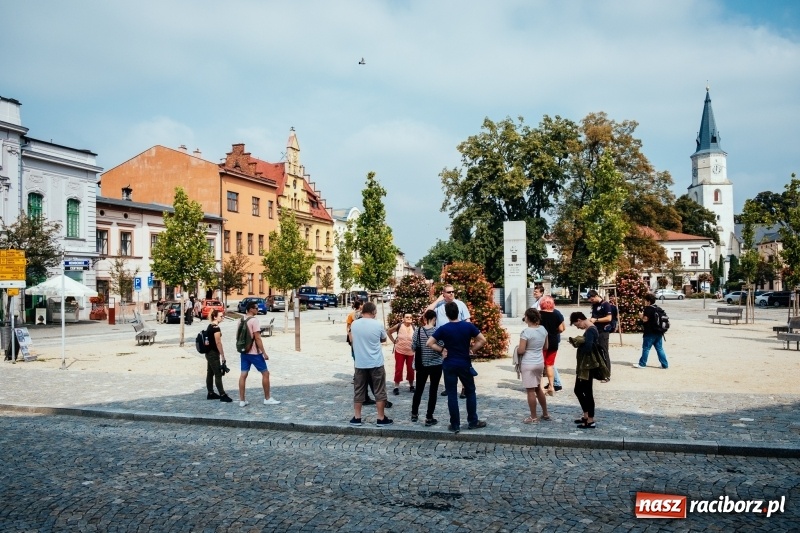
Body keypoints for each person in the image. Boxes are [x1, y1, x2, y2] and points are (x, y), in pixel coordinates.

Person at [427, 302, 487, 434]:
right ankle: (472, 421)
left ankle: (455, 424)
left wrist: (441, 349)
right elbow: (482, 340)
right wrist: (472, 350)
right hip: (464, 363)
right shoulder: (468, 326)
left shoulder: (443, 328)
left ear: (447, 314)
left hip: (449, 364)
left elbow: (429, 343)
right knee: (470, 391)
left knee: (452, 394)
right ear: (458, 312)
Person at [348, 302, 393, 427]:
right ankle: (380, 418)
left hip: (360, 363)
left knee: (359, 390)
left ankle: (357, 417)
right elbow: (384, 339)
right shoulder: (378, 324)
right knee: (379, 390)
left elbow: (351, 338)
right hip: (375, 362)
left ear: (363, 312)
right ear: (373, 312)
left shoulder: (354, 324)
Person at [426, 284, 471, 398]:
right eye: (449, 292)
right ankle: (449, 387)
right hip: (443, 338)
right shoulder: (439, 305)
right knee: (446, 363)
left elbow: (467, 320)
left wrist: (467, 335)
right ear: (443, 293)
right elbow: (427, 313)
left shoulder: (460, 304)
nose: (451, 293)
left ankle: (464, 388)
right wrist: (437, 300)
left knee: (462, 363)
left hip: (458, 337)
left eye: (453, 291)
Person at [569, 311, 608, 429]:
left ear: (580, 320)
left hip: (588, 366)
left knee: (586, 391)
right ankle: (586, 415)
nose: (578, 327)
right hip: (586, 365)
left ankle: (590, 419)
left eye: (577, 325)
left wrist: (579, 341)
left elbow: (588, 347)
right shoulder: (591, 329)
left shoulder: (590, 330)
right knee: (579, 390)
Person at [238, 301, 280, 407]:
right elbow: (257, 338)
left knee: (243, 375)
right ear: (251, 309)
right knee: (265, 373)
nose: (258, 310)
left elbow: (238, 336)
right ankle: (267, 398)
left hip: (244, 352)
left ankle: (242, 400)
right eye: (256, 308)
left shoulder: (240, 320)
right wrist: (264, 352)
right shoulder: (254, 320)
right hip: (254, 353)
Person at [515, 308, 550, 423]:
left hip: (528, 363)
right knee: (538, 388)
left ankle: (533, 417)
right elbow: (546, 347)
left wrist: (517, 349)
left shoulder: (526, 332)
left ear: (528, 318)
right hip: (539, 362)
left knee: (530, 391)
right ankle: (545, 413)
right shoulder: (543, 329)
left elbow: (521, 350)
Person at [410, 310, 442, 426]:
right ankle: (429, 417)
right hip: (436, 364)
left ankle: (414, 414)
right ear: (434, 318)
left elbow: (413, 347)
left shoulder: (418, 330)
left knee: (419, 389)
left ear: (425, 318)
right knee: (433, 391)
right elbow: (442, 346)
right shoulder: (438, 331)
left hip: (422, 364)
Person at [538, 295, 565, 395]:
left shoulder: (539, 314)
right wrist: (554, 332)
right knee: (550, 365)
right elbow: (562, 329)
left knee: (540, 366)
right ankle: (551, 386)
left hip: (541, 343)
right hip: (553, 342)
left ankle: (540, 388)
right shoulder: (556, 314)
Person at [635, 293, 669, 369]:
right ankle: (665, 365)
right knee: (660, 349)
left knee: (646, 348)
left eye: (645, 300)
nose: (644, 302)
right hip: (659, 332)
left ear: (648, 301)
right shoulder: (657, 308)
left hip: (650, 332)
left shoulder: (648, 309)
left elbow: (645, 319)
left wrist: (641, 316)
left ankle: (642, 364)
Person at [205, 310, 233, 403]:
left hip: (208, 353)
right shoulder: (216, 328)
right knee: (218, 374)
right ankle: (222, 394)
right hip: (213, 354)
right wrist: (223, 355)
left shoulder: (210, 326)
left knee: (210, 373)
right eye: (221, 316)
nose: (223, 317)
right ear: (215, 317)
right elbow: (218, 343)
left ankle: (210, 393)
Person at [387, 313, 415, 395]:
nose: (409, 318)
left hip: (410, 351)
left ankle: (411, 386)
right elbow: (389, 331)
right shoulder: (399, 326)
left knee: (411, 369)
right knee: (399, 368)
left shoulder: (414, 327)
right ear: (403, 318)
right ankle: (396, 387)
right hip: (400, 351)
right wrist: (393, 341)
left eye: (410, 317)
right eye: (407, 317)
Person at [587, 289, 612, 380]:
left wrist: (596, 320)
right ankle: (599, 373)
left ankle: (607, 374)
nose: (591, 301)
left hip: (603, 332)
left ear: (596, 296)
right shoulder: (594, 305)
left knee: (604, 352)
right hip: (595, 331)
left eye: (592, 299)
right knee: (596, 353)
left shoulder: (605, 305)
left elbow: (609, 318)